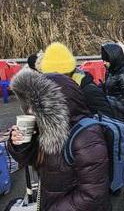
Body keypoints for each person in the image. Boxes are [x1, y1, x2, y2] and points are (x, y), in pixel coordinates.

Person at [8, 69, 110, 210]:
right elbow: (27, 160)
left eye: (37, 104)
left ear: (57, 106)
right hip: (52, 200)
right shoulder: (46, 128)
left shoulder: (87, 137)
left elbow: (93, 195)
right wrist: (19, 144)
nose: (30, 110)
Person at [39, 42, 124, 124]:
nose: (58, 81)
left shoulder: (87, 89)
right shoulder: (46, 92)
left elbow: (107, 122)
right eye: (51, 76)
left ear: (70, 72)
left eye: (61, 76)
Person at [101, 43, 124, 126]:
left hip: (121, 114)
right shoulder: (111, 71)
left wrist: (112, 104)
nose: (104, 63)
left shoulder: (123, 74)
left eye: (106, 61)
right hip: (113, 112)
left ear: (114, 58)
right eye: (103, 61)